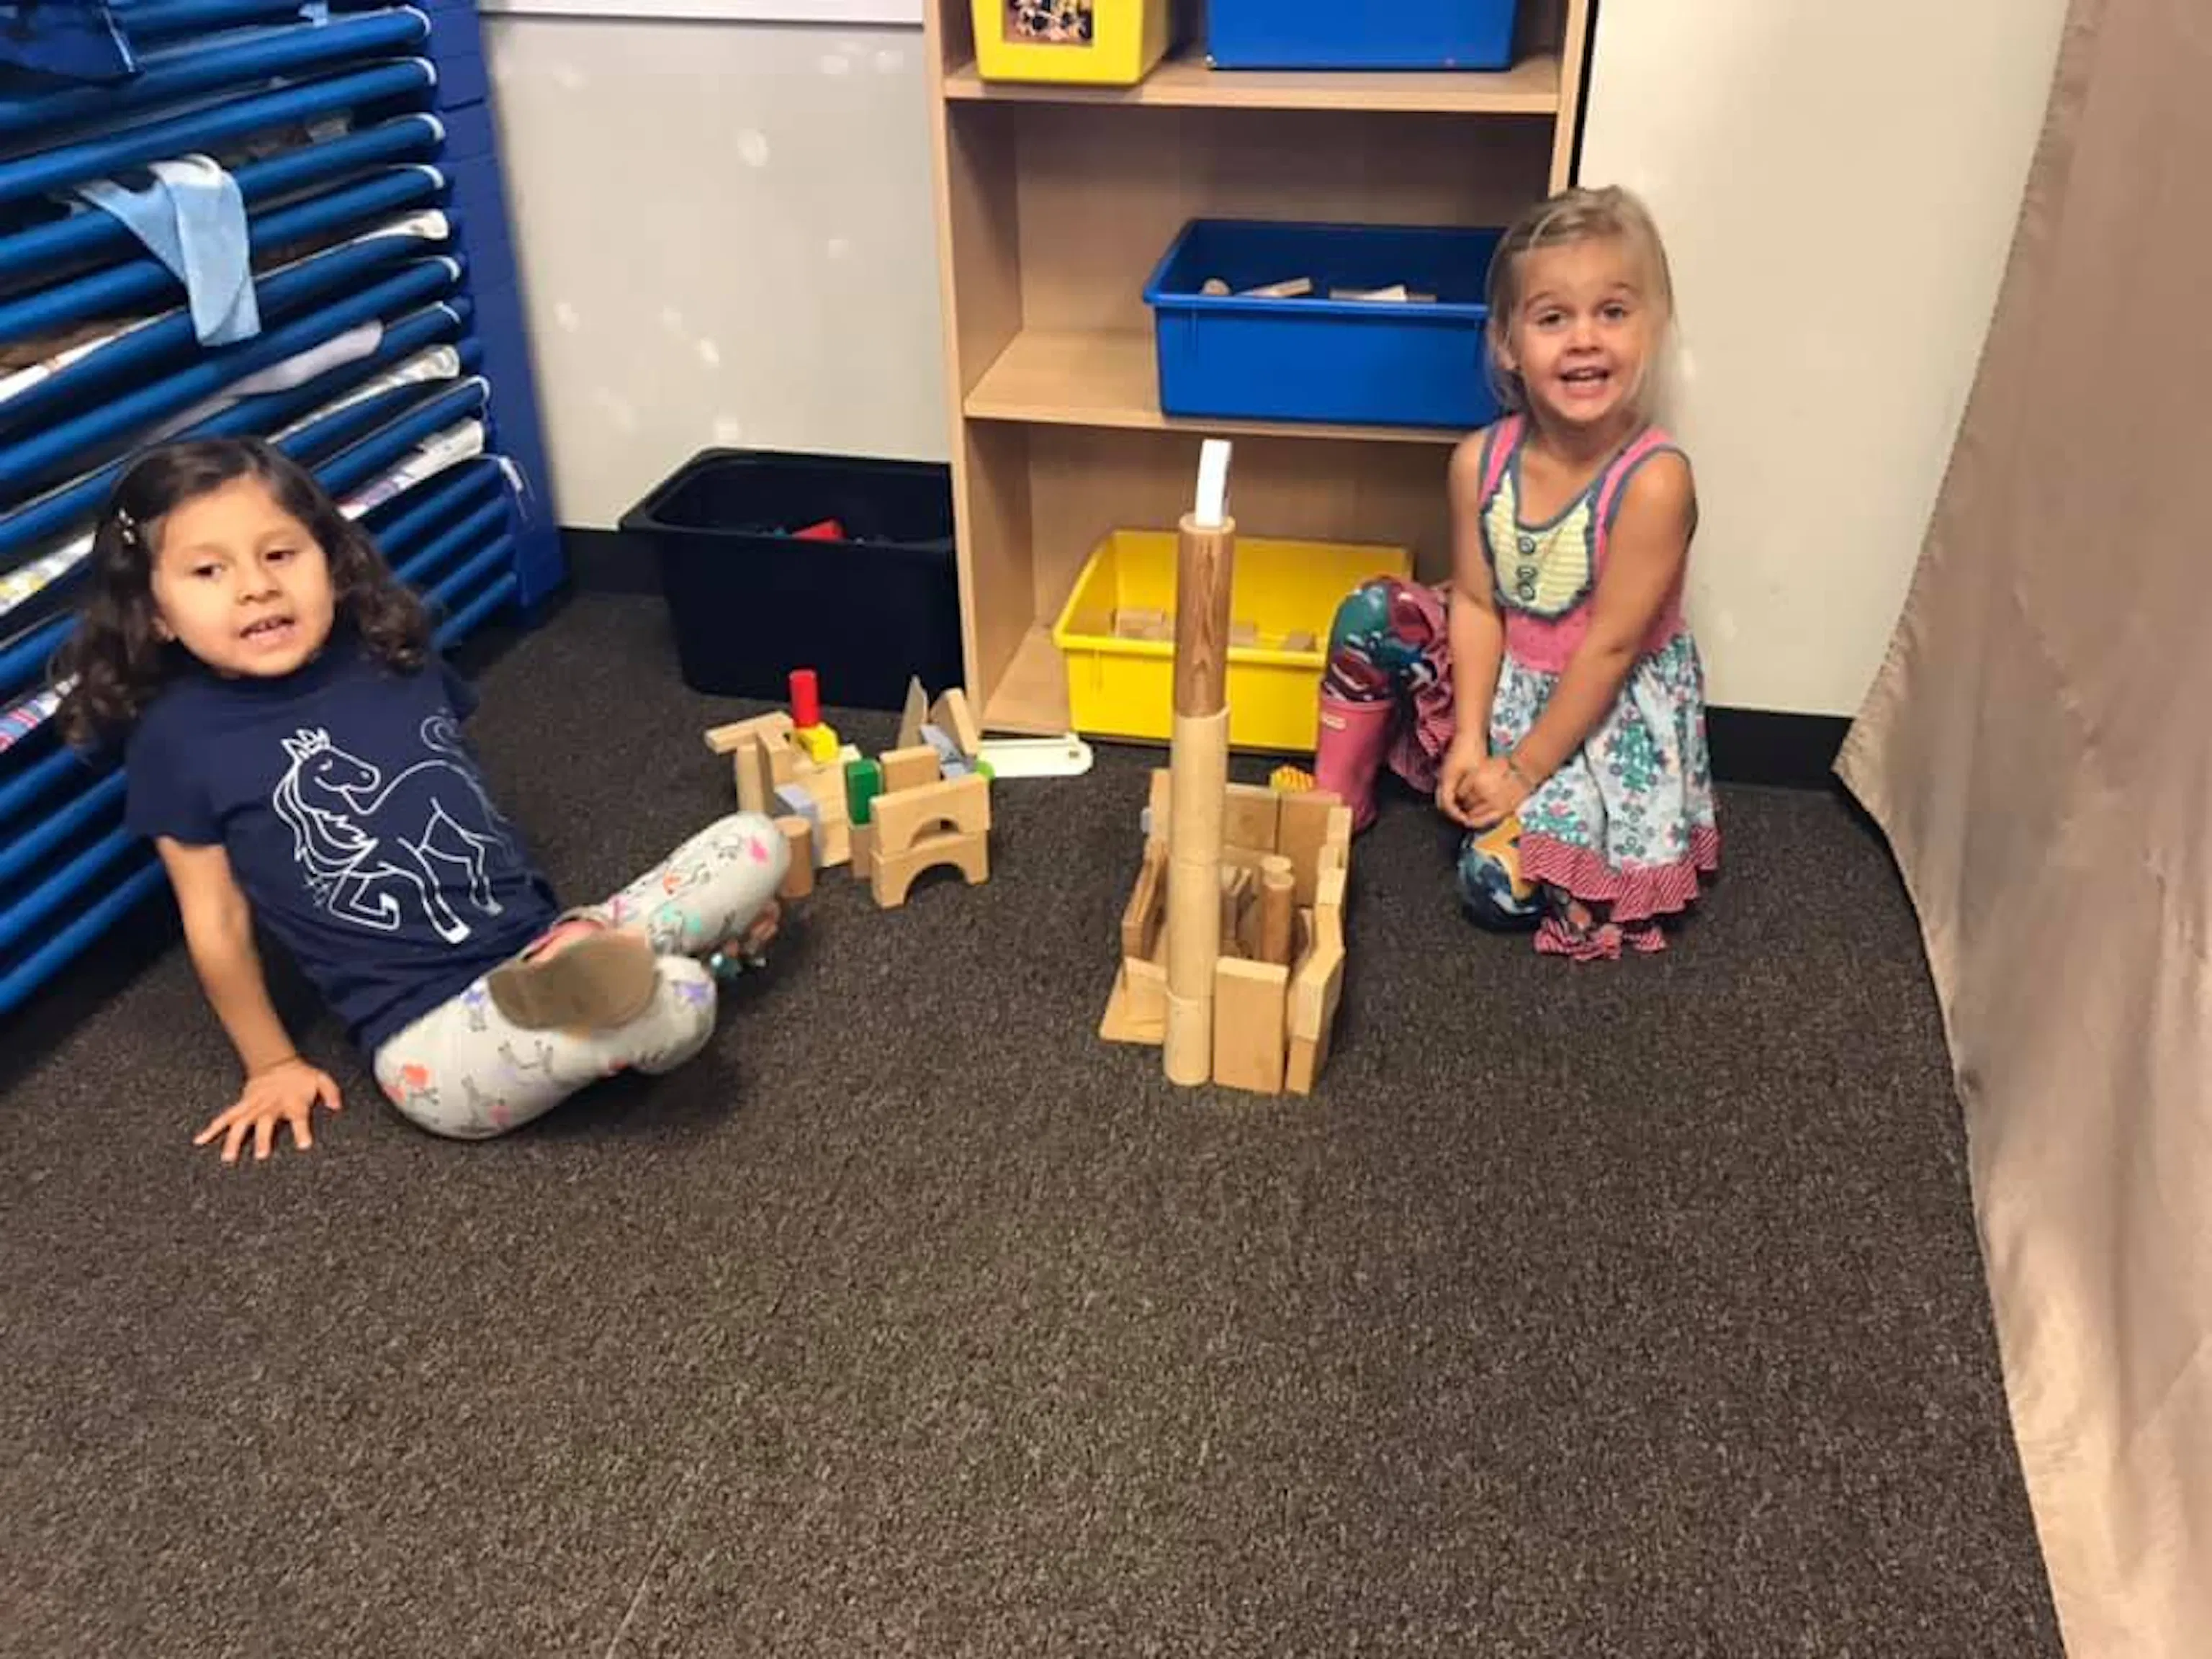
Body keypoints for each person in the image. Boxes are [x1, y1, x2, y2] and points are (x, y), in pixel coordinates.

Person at [52, 437, 788, 1158]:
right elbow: (215, 917)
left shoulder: (388, 654)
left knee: (757, 840)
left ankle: (585, 963)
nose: (256, 586)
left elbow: (463, 800)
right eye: (209, 570)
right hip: (431, 1041)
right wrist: (272, 1063)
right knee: (682, 1001)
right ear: (153, 611)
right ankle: (631, 981)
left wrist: (563, 935)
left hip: (537, 942)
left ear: (330, 561)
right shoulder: (176, 740)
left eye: (279, 555)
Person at [1312, 184, 1719, 958]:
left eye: (1613, 312)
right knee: (1370, 612)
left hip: (1593, 717)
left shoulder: (1655, 482)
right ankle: (1338, 800)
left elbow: (1608, 650)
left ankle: (1529, 820)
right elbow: (1474, 602)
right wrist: (1467, 740)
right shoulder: (1479, 462)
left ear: (1652, 328)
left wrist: (1522, 772)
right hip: (1499, 676)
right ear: (1507, 343)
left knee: (1492, 888)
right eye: (1553, 318)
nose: (1584, 340)